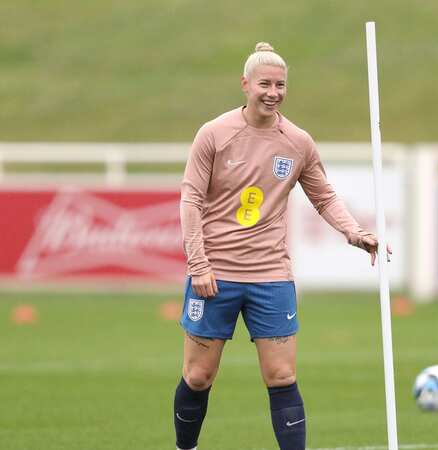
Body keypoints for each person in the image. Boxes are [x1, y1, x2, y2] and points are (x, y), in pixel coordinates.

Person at [174, 42, 384, 450]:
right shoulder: (213, 134)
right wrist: (198, 264)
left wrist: (355, 232)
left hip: (271, 276)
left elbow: (324, 197)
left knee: (282, 376)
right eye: (265, 84)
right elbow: (190, 200)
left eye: (281, 85)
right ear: (245, 84)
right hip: (215, 275)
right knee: (199, 375)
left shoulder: (298, 141)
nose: (273, 92)